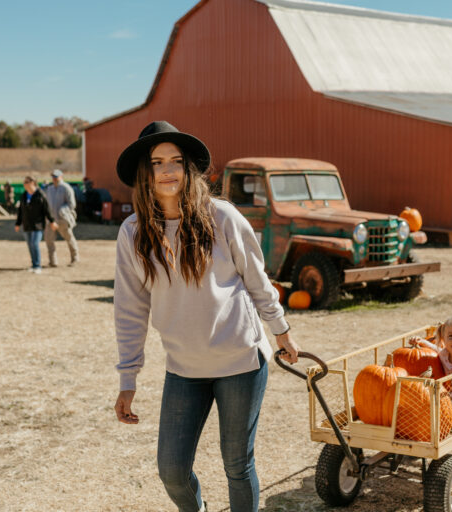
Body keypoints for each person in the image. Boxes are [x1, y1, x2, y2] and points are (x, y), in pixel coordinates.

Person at [112, 121, 300, 512]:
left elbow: (256, 279)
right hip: (184, 368)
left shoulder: (223, 217)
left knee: (236, 464)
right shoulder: (132, 233)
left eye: (176, 161)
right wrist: (128, 378)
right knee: (172, 470)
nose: (167, 170)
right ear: (145, 173)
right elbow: (130, 309)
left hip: (241, 361)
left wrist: (280, 330)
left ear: (188, 169)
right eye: (157, 162)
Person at [14, 177, 58, 274]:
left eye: (26, 182)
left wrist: (52, 221)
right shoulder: (24, 195)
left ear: (33, 183)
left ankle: (38, 266)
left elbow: (47, 209)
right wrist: (18, 223)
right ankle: (33, 265)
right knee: (30, 245)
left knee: (34, 243)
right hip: (27, 224)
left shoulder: (40, 195)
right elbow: (20, 210)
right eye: (24, 182)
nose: (24, 184)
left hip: (37, 224)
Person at [44, 169, 79, 267]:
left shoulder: (66, 188)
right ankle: (53, 261)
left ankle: (75, 258)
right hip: (51, 220)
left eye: (56, 176)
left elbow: (72, 204)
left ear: (61, 177)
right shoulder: (49, 189)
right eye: (53, 177)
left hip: (63, 219)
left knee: (69, 238)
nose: (54, 179)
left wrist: (62, 210)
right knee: (49, 240)